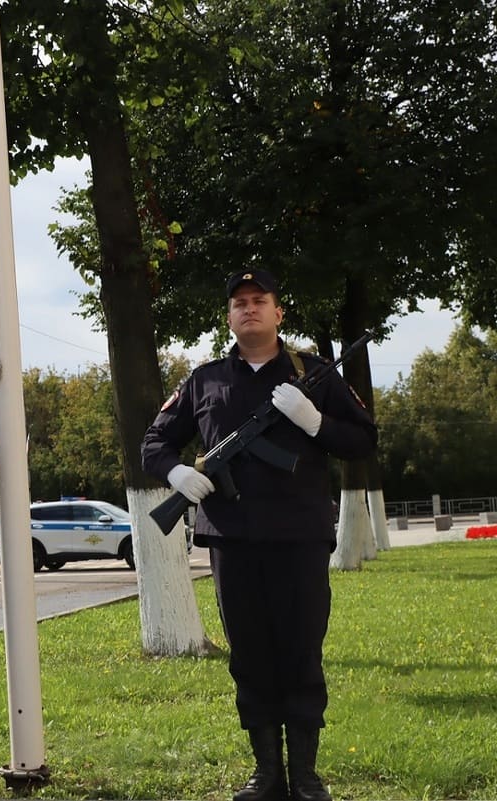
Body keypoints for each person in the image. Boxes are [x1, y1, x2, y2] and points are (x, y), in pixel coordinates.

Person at [142, 270, 377, 801]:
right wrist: (177, 474)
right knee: (249, 656)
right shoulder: (204, 381)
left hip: (299, 539)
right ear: (229, 316)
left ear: (278, 313)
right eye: (239, 303)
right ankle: (265, 773)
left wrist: (315, 422)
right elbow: (155, 441)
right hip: (234, 541)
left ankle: (306, 776)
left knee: (300, 651)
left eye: (260, 301)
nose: (249, 309)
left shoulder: (314, 374)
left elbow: (363, 440)